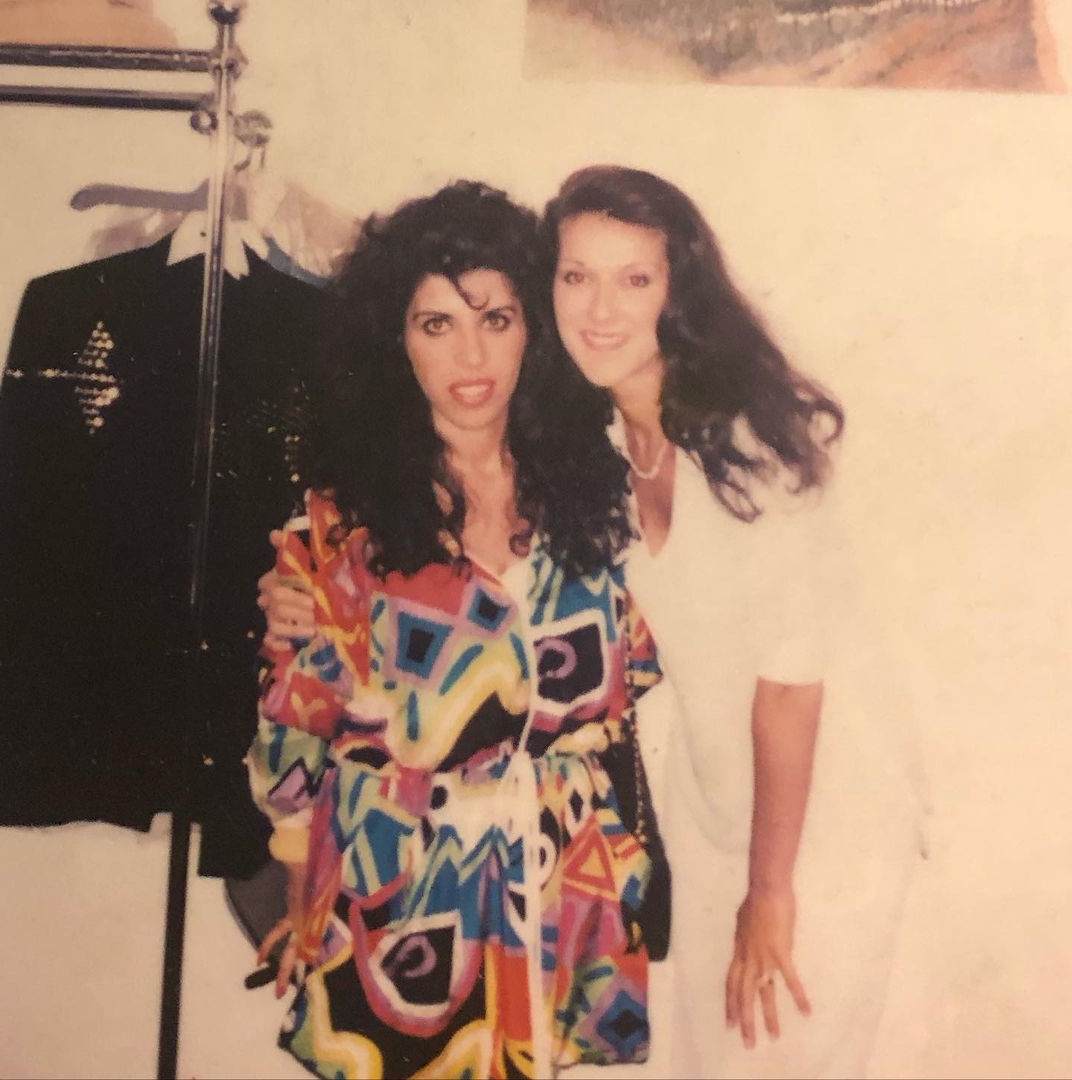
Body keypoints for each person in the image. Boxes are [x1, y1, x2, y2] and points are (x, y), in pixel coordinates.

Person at [246, 179, 668, 1080]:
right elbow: (289, 746)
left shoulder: (598, 496)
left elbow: (645, 679)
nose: (470, 355)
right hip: (399, 913)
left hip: (562, 903)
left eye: (496, 319)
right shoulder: (340, 526)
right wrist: (297, 890)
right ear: (396, 342)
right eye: (436, 324)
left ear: (532, 331)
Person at [541, 164, 924, 1079]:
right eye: (576, 275)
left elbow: (790, 688)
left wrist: (770, 892)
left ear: (678, 293)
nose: (600, 308)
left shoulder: (748, 446)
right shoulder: (600, 441)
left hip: (824, 820)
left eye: (634, 278)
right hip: (714, 808)